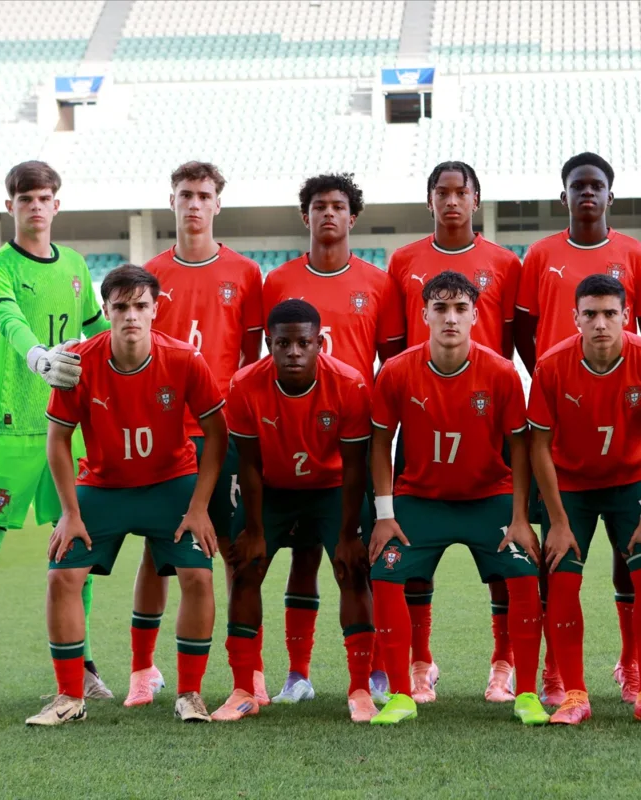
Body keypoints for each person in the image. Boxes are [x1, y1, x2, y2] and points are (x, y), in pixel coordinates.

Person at [28, 264, 227, 725]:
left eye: (140, 306)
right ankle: (68, 697)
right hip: (103, 485)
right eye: (121, 307)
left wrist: (199, 508)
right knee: (62, 574)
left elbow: (217, 435)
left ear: (156, 310)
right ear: (106, 311)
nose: (131, 316)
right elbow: (57, 439)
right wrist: (69, 513)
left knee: (199, 576)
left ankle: (190, 695)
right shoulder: (79, 362)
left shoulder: (183, 359)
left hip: (171, 484)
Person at [0, 160, 110, 716]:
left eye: (44, 197)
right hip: (12, 429)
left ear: (57, 205)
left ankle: (80, 668)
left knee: (76, 547)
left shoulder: (77, 266)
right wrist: (39, 356)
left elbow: (97, 330)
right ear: (10, 206)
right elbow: (10, 321)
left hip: (68, 431)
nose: (36, 206)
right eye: (25, 198)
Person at [514, 151, 641, 705]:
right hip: (564, 417)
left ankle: (632, 668)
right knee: (555, 564)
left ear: (609, 194)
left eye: (595, 185)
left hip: (620, 431)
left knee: (634, 567)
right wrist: (562, 389)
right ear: (564, 196)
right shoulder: (540, 254)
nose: (586, 193)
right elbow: (524, 330)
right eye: (577, 186)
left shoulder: (636, 255)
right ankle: (557, 674)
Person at [367, 271, 547, 726]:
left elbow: (520, 448)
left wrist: (521, 516)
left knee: (524, 574)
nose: (450, 318)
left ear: (474, 315)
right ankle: (401, 694)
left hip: (488, 497)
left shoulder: (502, 373)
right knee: (385, 574)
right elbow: (380, 442)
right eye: (441, 309)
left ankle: (524, 690)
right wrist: (385, 514)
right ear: (424, 313)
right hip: (420, 500)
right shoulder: (396, 371)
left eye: (460, 309)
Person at [260, 173, 405, 703]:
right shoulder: (276, 283)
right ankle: (297, 676)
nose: (327, 214)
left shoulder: (378, 283)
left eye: (337, 206)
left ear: (352, 217)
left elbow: (390, 365)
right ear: (305, 216)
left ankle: (377, 673)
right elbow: (272, 360)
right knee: (300, 558)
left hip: (357, 441)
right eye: (318, 206)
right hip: (293, 437)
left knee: (360, 559)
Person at [126, 161, 266, 708]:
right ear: (172, 201)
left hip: (220, 431)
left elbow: (251, 356)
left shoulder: (246, 274)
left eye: (204, 195)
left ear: (217, 204)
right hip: (165, 432)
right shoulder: (150, 273)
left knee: (232, 551)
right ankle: (143, 669)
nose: (194, 204)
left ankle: (245, 673)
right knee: (155, 553)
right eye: (185, 194)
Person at [386, 160, 522, 703]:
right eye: (440, 193)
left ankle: (504, 663)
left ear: (476, 199)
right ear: (429, 200)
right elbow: (393, 345)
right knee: (413, 555)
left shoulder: (505, 263)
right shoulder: (403, 261)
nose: (450, 201)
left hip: (487, 421)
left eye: (459, 192)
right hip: (421, 416)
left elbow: (514, 340)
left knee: (503, 560)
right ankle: (420, 662)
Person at [211, 300, 378, 723]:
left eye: (304, 342)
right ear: (268, 343)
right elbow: (247, 463)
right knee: (247, 568)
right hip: (273, 490)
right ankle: (244, 690)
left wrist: (348, 534)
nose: (293, 352)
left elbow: (356, 466)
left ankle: (360, 689)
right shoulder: (245, 384)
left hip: (333, 489)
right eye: (283, 343)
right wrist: (253, 529)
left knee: (352, 569)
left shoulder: (351, 384)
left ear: (320, 343)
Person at [528, 274, 641, 727]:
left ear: (626, 317)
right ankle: (574, 694)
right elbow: (539, 446)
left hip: (630, 482)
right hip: (570, 486)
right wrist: (556, 520)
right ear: (575, 317)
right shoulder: (552, 365)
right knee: (561, 578)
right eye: (590, 314)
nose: (600, 324)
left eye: (610, 314)